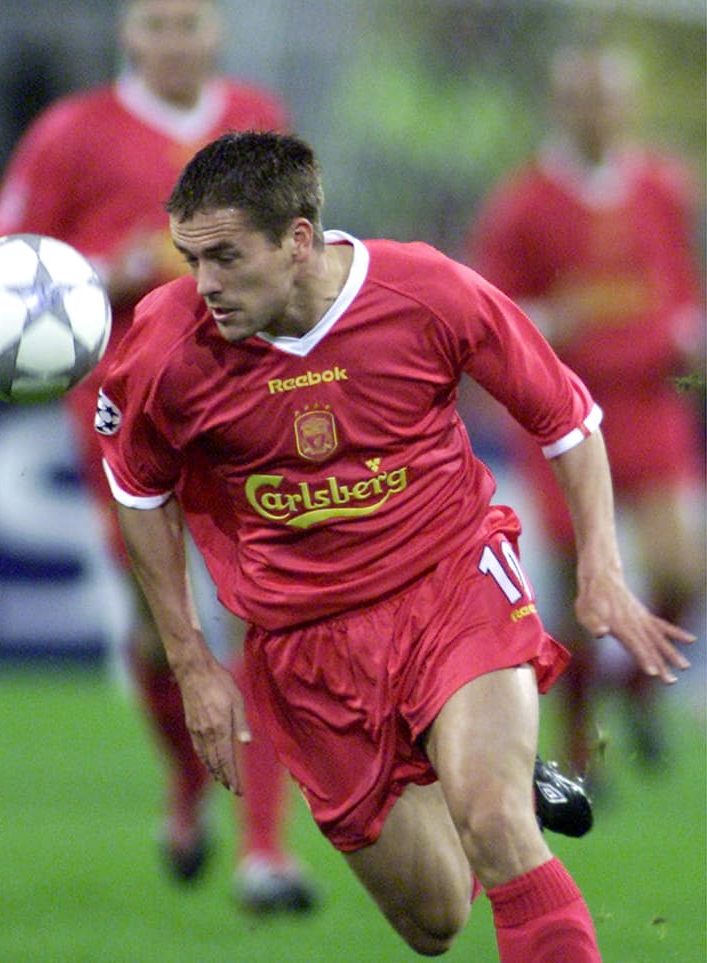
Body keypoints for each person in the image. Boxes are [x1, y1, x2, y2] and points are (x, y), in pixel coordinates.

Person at [93, 130, 694, 961]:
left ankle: (487, 774)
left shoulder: (426, 290)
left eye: (226, 258)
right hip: (303, 644)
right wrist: (193, 658)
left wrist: (600, 565)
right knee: (437, 919)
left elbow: (566, 415)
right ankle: (479, 765)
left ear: (298, 240)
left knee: (497, 826)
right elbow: (139, 489)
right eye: (191, 258)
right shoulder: (166, 346)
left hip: (452, 585)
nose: (206, 285)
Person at [0, 0, 314, 912]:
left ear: (216, 34)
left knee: (262, 610)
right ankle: (187, 779)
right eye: (158, 23)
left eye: (191, 22)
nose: (175, 40)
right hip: (127, 407)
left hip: (248, 395)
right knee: (161, 629)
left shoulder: (258, 116)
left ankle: (265, 850)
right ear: (130, 35)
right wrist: (105, 267)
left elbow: (302, 250)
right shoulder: (70, 132)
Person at [467, 42, 705, 779]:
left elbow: (680, 284)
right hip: (563, 414)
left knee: (682, 568)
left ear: (627, 105)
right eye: (580, 98)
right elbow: (488, 310)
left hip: (648, 405)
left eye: (606, 98)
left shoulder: (663, 186)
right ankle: (579, 741)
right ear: (560, 105)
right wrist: (552, 317)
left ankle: (636, 686)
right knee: (579, 590)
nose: (595, 113)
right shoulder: (524, 201)